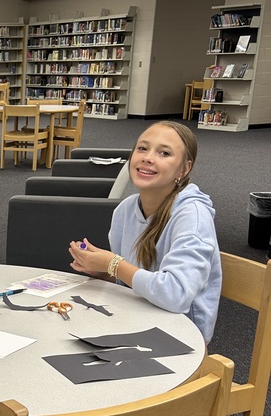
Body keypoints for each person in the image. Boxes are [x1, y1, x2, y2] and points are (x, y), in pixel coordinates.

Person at [68, 121, 221, 342]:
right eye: (142, 148)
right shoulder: (126, 210)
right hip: (133, 319)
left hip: (178, 339)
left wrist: (114, 265)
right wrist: (101, 270)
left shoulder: (193, 217)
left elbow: (175, 295)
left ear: (184, 169)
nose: (148, 157)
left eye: (164, 153)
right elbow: (134, 283)